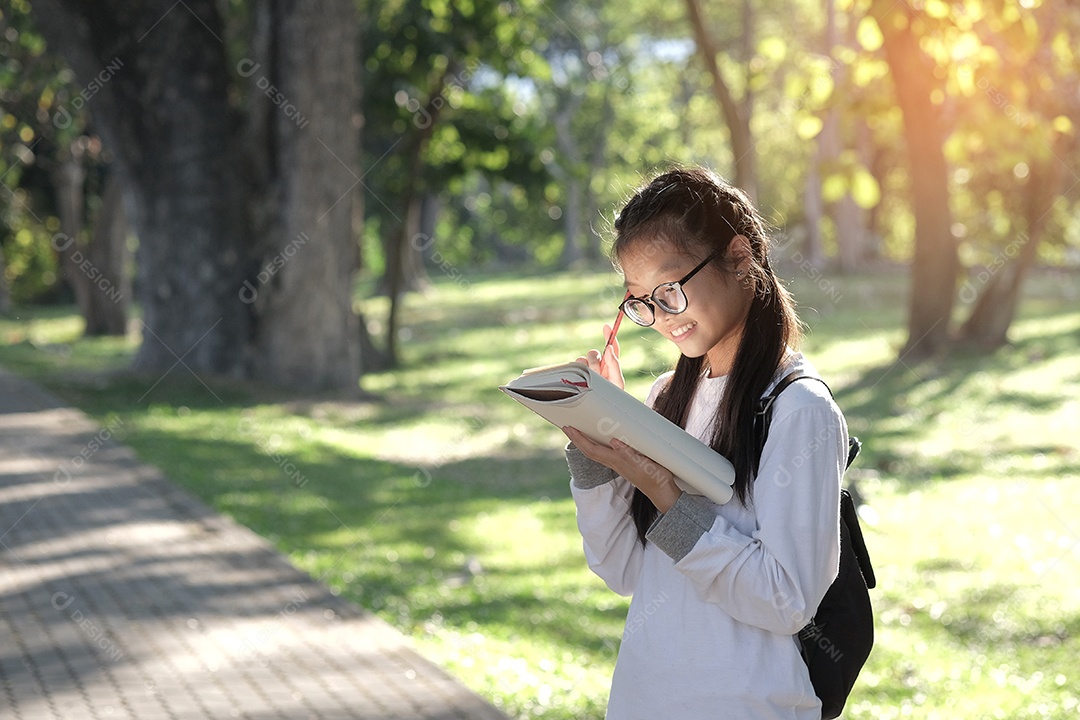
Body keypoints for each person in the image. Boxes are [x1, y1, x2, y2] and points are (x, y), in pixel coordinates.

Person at [561, 166, 847, 719]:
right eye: (641, 302)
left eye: (669, 290)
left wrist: (667, 495)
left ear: (739, 258)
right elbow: (622, 569)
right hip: (646, 699)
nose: (661, 318)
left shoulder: (800, 411)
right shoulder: (665, 398)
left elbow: (785, 598)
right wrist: (597, 435)